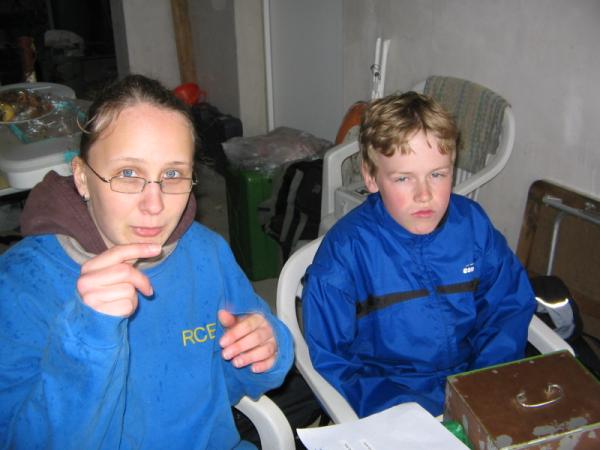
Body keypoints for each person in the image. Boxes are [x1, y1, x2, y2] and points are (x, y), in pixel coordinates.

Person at [0, 74, 293, 449]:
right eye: (128, 174)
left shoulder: (207, 252)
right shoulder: (21, 282)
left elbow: (237, 383)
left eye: (172, 174)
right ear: (82, 178)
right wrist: (87, 338)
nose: (154, 205)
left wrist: (269, 347)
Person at [302, 91, 536, 418]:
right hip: (393, 404)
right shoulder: (345, 254)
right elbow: (335, 361)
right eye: (403, 178)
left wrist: (482, 384)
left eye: (437, 174)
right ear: (371, 177)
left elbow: (506, 308)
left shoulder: (472, 226)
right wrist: (408, 415)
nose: (424, 195)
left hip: (474, 386)